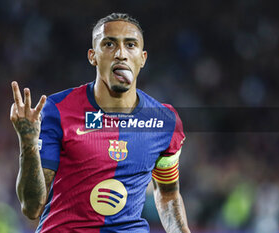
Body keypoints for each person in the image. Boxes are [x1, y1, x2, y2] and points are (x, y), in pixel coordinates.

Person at [10, 13, 191, 233]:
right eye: (109, 44)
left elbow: (168, 193)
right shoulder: (57, 110)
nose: (121, 54)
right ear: (92, 56)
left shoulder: (164, 121)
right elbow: (31, 208)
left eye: (130, 45)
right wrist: (28, 142)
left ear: (142, 58)